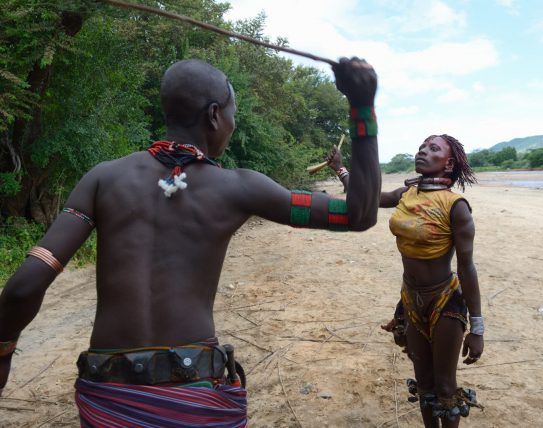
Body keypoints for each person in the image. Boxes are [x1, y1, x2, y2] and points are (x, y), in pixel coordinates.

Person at [0, 57, 381, 427]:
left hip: (109, 400)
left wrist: (3, 355)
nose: (232, 124)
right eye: (233, 113)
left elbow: (22, 289)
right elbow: (358, 214)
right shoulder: (240, 188)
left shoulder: (102, 180)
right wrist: (362, 108)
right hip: (195, 398)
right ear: (214, 114)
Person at [326, 135, 483, 427]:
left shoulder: (456, 206)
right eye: (421, 147)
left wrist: (477, 327)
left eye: (433, 149)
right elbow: (364, 198)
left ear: (448, 163)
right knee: (424, 383)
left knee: (445, 387)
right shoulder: (405, 194)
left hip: (445, 302)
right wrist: (341, 169)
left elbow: (467, 268)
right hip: (411, 300)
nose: (423, 151)